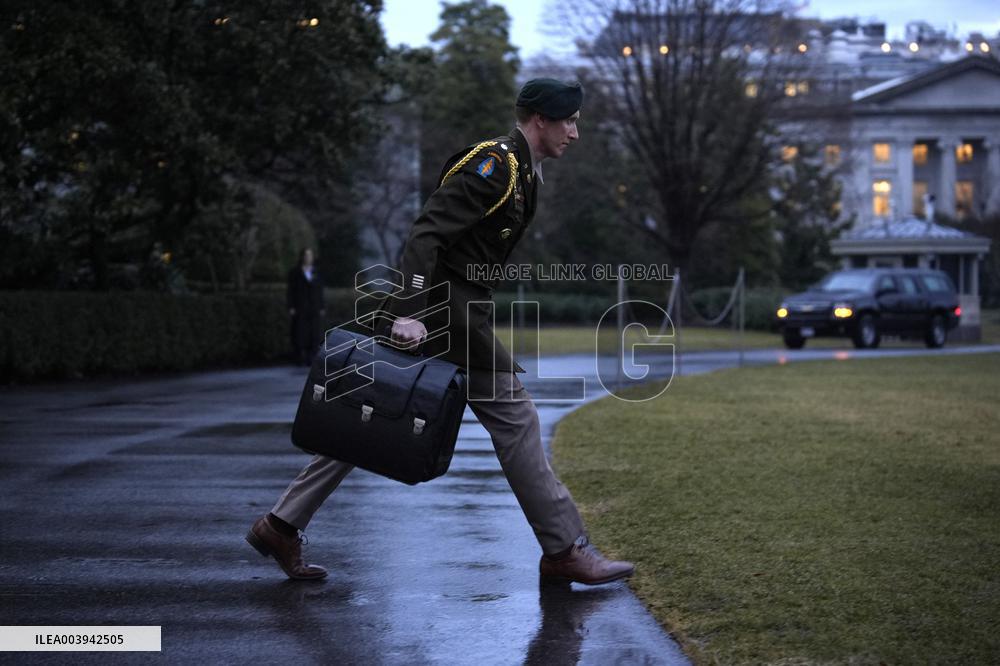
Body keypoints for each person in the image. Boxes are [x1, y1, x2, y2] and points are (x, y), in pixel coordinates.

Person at [247, 78, 635, 586]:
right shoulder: (494, 166)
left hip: (451, 313)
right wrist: (408, 310)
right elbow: (426, 233)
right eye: (569, 120)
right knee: (517, 421)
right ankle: (564, 548)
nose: (576, 133)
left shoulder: (524, 172)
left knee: (367, 419)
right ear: (540, 119)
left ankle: (279, 526)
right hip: (442, 317)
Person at [286, 248, 325, 365]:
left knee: (314, 333)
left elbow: (320, 291)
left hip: (314, 308)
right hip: (300, 307)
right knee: (299, 332)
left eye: (310, 255)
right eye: (306, 255)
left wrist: (322, 306)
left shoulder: (316, 272)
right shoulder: (295, 273)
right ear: (302, 257)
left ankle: (311, 357)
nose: (308, 258)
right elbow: (290, 291)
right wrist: (291, 306)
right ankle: (298, 357)